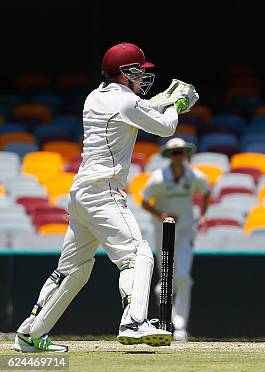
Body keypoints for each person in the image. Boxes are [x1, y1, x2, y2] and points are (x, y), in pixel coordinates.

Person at [13, 42, 199, 352]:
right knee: (138, 254)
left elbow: (139, 109)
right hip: (104, 192)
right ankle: (134, 321)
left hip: (81, 192)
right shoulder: (125, 102)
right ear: (125, 73)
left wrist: (164, 99)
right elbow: (166, 128)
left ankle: (30, 333)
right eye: (139, 71)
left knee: (73, 270)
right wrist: (176, 102)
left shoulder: (94, 97)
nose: (143, 77)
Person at [141, 137, 210, 342]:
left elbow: (206, 192)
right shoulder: (158, 178)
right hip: (164, 232)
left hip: (186, 231)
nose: (178, 156)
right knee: (168, 278)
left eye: (181, 152)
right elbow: (144, 201)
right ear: (169, 156)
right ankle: (165, 321)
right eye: (174, 153)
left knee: (183, 277)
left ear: (186, 155)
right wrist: (163, 215)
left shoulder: (195, 176)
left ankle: (180, 326)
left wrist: (203, 214)